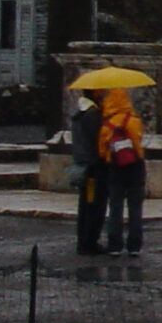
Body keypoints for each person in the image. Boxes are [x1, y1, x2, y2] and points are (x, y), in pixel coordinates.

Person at [96, 87, 147, 256]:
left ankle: (114, 245)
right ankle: (134, 245)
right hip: (135, 166)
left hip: (115, 168)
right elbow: (138, 140)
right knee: (135, 207)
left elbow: (102, 151)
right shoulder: (134, 120)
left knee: (115, 206)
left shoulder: (106, 125)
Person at [68, 91, 107, 256]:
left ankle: (84, 240)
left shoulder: (80, 114)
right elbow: (99, 140)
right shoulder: (93, 115)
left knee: (85, 204)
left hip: (83, 165)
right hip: (94, 168)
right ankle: (89, 242)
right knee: (94, 205)